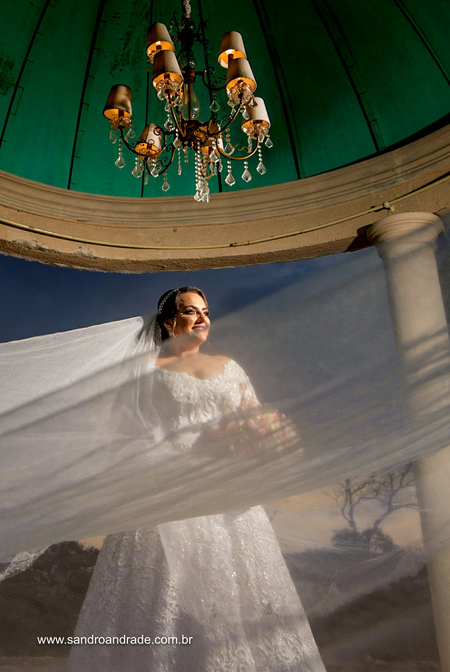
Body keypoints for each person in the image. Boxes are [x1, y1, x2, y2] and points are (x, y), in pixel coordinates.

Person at [69, 287, 326, 672]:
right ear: (169, 322)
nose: (203, 318)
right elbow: (124, 431)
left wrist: (263, 441)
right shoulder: (145, 372)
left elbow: (252, 416)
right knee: (162, 596)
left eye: (206, 311)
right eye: (192, 311)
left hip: (228, 494)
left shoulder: (230, 366)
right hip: (167, 493)